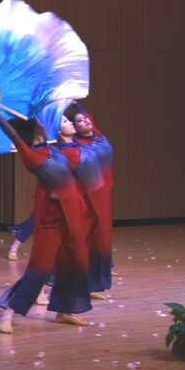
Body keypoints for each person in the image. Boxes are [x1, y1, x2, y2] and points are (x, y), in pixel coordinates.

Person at [0, 94, 91, 333]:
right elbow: (11, 132)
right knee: (40, 268)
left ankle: (64, 311)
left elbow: (38, 117)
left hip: (72, 214)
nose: (42, 123)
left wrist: (68, 101)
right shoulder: (31, 155)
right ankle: (9, 313)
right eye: (37, 123)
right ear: (32, 132)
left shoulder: (52, 149)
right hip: (52, 219)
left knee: (76, 262)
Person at [72, 103, 115, 282]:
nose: (85, 121)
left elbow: (87, 114)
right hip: (88, 196)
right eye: (80, 121)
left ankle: (99, 275)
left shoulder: (98, 136)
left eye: (86, 119)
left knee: (103, 234)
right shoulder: (76, 144)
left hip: (104, 194)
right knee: (87, 235)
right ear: (75, 128)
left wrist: (75, 104)